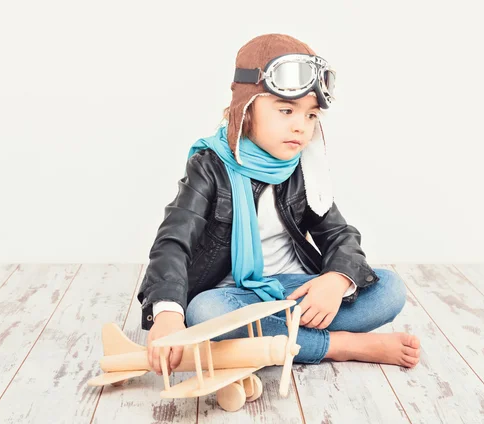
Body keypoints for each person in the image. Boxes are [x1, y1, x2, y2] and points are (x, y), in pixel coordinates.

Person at [137, 33, 421, 376]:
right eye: (286, 110)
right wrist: (168, 314)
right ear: (246, 108)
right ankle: (341, 345)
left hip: (294, 290)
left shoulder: (304, 168)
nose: (300, 126)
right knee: (204, 313)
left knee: (390, 289)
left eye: (311, 116)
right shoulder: (209, 166)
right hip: (234, 298)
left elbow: (339, 234)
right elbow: (173, 242)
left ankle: (273, 339)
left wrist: (335, 280)